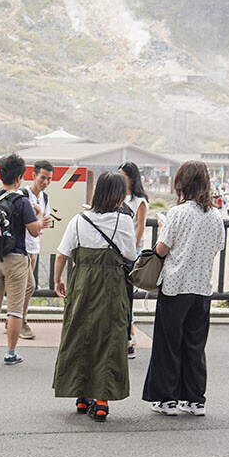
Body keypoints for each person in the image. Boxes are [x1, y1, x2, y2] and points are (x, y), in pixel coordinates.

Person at [141, 161, 226, 417]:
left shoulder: (178, 213)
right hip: (201, 288)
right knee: (195, 344)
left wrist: (162, 227)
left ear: (182, 183)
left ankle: (166, 399)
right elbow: (215, 248)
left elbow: (161, 250)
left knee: (169, 344)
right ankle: (195, 400)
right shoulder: (215, 215)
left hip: (176, 287)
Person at [52, 171, 136, 421]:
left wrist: (58, 279)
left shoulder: (79, 220)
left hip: (82, 285)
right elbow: (130, 255)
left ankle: (80, 395)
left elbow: (62, 254)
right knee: (109, 337)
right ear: (119, 195)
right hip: (111, 285)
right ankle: (101, 401)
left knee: (79, 334)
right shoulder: (124, 222)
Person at [0, 153, 41, 365]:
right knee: (14, 309)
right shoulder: (22, 202)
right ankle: (11, 353)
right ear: (19, 178)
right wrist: (39, 215)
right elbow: (34, 231)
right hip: (15, 260)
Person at [19, 160, 55, 340]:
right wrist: (39, 220)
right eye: (42, 178)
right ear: (33, 175)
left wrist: (39, 219)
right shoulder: (23, 195)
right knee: (29, 286)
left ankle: (14, 320)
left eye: (49, 179)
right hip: (21, 248)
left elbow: (40, 227)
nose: (45, 182)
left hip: (34, 247)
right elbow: (31, 225)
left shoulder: (44, 198)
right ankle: (20, 321)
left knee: (23, 287)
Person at [119, 162, 150, 358]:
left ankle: (129, 335)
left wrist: (131, 250)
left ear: (132, 177)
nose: (120, 178)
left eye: (123, 175)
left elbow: (140, 228)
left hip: (131, 251)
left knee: (126, 294)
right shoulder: (119, 197)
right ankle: (129, 332)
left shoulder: (140, 201)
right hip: (119, 248)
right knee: (123, 294)